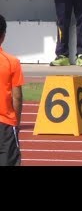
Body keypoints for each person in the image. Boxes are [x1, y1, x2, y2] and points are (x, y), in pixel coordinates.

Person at [0, 14, 24, 166]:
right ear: (3, 36)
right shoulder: (12, 62)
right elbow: (17, 97)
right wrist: (17, 123)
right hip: (5, 125)